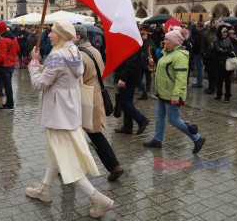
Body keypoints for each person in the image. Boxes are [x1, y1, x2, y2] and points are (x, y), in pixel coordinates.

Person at [26, 20, 114, 218]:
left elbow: (38, 85)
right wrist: (44, 67)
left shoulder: (57, 55)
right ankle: (45, 188)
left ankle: (98, 198)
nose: (49, 36)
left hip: (58, 113)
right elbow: (60, 76)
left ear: (62, 36)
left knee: (66, 160)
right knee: (56, 152)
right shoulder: (74, 51)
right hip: (69, 112)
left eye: (53, 33)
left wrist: (33, 63)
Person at [73, 25, 124, 182]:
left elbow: (75, 81)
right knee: (88, 134)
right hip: (95, 95)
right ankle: (112, 166)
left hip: (84, 98)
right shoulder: (94, 50)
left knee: (89, 135)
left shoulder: (78, 55)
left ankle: (114, 166)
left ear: (78, 37)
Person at [143, 28, 206, 153]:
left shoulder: (180, 56)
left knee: (174, 120)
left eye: (167, 39)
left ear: (174, 41)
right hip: (163, 92)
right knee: (159, 117)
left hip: (172, 94)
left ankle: (197, 138)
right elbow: (167, 71)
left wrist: (176, 95)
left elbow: (181, 78)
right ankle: (157, 139)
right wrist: (155, 73)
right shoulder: (168, 53)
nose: (164, 41)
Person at [113, 46, 150, 135]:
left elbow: (131, 64)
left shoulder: (132, 44)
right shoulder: (128, 43)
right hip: (127, 78)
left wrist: (123, 78)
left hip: (128, 79)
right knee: (127, 101)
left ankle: (141, 120)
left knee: (124, 102)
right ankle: (127, 126)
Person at [0, 21, 20, 110]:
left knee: (7, 86)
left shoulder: (3, 40)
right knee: (8, 85)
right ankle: (9, 103)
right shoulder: (14, 38)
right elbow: (18, 50)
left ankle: (10, 104)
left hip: (5, 66)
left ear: (0, 30)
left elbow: (2, 56)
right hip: (11, 64)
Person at [212, 26, 235, 102]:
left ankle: (227, 96)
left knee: (228, 80)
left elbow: (232, 49)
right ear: (220, 32)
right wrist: (227, 50)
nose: (225, 33)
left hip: (228, 62)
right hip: (220, 62)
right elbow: (219, 51)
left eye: (226, 32)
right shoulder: (216, 41)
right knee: (220, 80)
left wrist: (225, 50)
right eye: (223, 32)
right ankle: (219, 95)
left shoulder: (228, 40)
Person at [201, 19, 219, 94]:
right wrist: (204, 54)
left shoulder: (219, 33)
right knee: (210, 73)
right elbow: (203, 45)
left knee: (215, 73)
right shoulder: (206, 33)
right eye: (217, 23)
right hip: (208, 56)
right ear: (212, 24)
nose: (218, 24)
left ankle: (213, 87)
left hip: (217, 56)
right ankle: (210, 86)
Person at [138, 30, 155, 99]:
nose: (146, 36)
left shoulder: (150, 40)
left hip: (149, 61)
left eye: (146, 35)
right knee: (140, 75)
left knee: (148, 75)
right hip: (141, 61)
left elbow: (154, 48)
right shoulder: (139, 41)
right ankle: (140, 87)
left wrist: (151, 49)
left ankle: (148, 87)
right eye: (144, 35)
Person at [191, 22, 206, 88]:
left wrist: (193, 49)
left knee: (199, 68)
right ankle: (200, 82)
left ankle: (200, 83)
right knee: (201, 67)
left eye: (196, 26)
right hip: (203, 52)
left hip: (198, 53)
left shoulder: (200, 34)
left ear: (198, 27)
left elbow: (197, 44)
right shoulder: (205, 32)